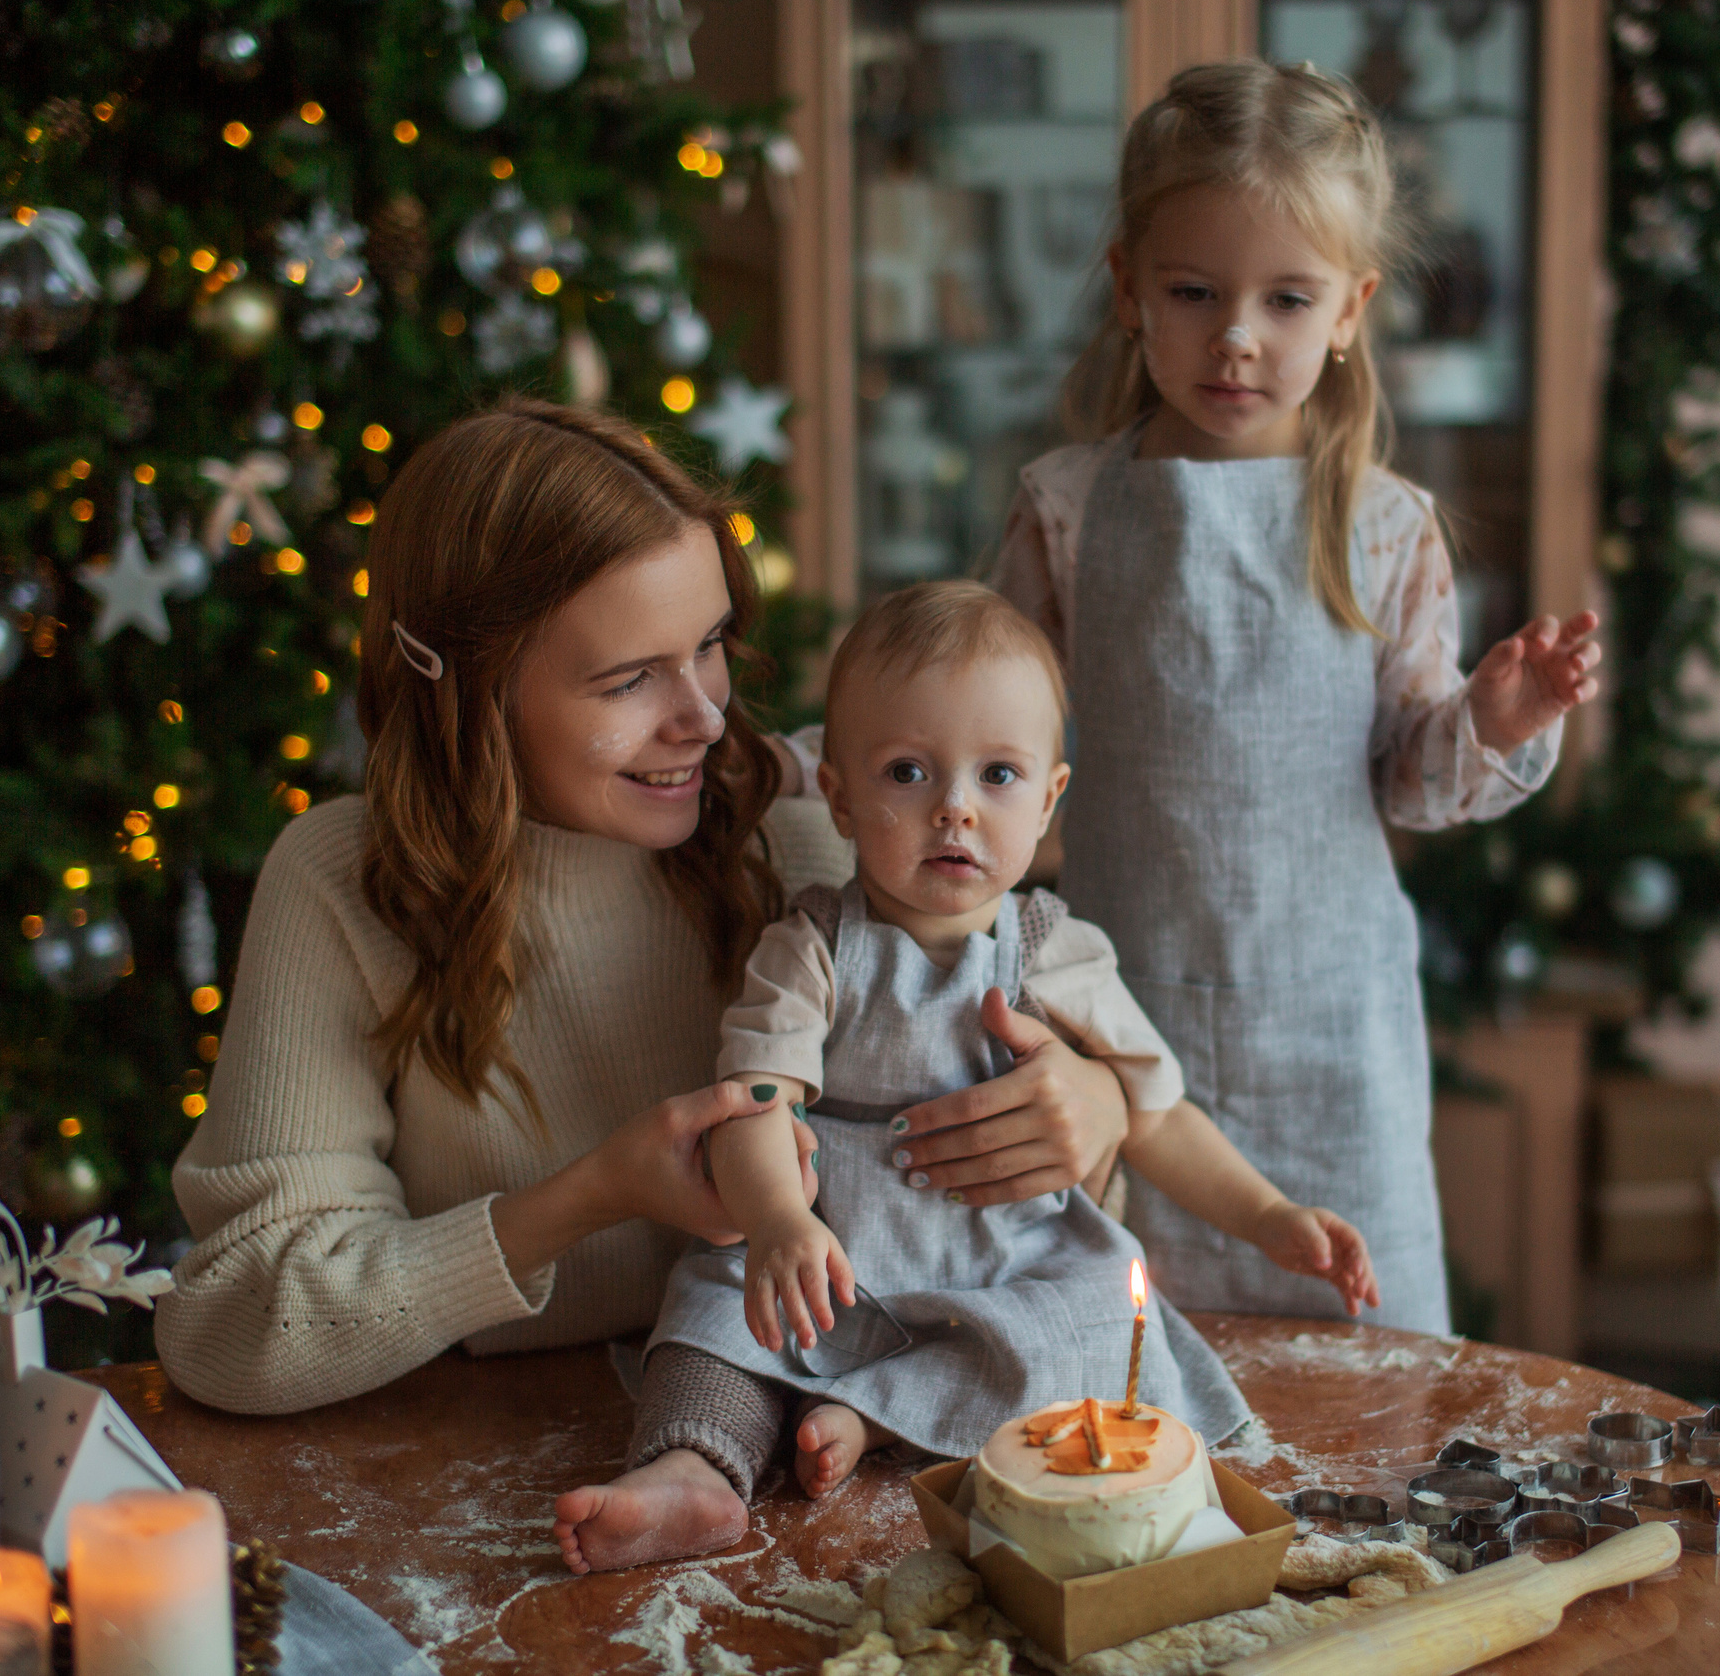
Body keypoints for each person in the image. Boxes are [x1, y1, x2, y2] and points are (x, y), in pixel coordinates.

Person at [156, 398, 1136, 1419]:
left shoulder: (815, 825)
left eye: (709, 643)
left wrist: (1104, 1114)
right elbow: (231, 1325)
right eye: (629, 680)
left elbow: (1050, 1236)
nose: (706, 719)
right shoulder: (348, 882)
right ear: (471, 693)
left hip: (849, 1431)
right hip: (484, 1454)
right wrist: (584, 1199)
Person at [554, 582, 1378, 1574]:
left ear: (1049, 797)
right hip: (833, 1262)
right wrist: (776, 1220)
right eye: (907, 771)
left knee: (1086, 1320)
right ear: (841, 794)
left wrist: (1271, 1216)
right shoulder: (809, 944)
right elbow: (756, 1101)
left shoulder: (1056, 951)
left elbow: (1156, 1118)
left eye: (997, 775)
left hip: (998, 1263)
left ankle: (867, 1420)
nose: (953, 807)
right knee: (711, 1315)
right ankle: (692, 1473)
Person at [992, 61, 1604, 1335]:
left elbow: (1413, 786)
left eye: (1285, 299)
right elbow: (985, 732)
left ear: (1349, 310)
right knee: (1130, 1364)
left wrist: (1492, 719)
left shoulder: (1382, 529)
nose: (1235, 337)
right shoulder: (1067, 508)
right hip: (1120, 1017)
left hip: (1332, 1031)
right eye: (1194, 293)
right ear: (1127, 289)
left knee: (1356, 1365)